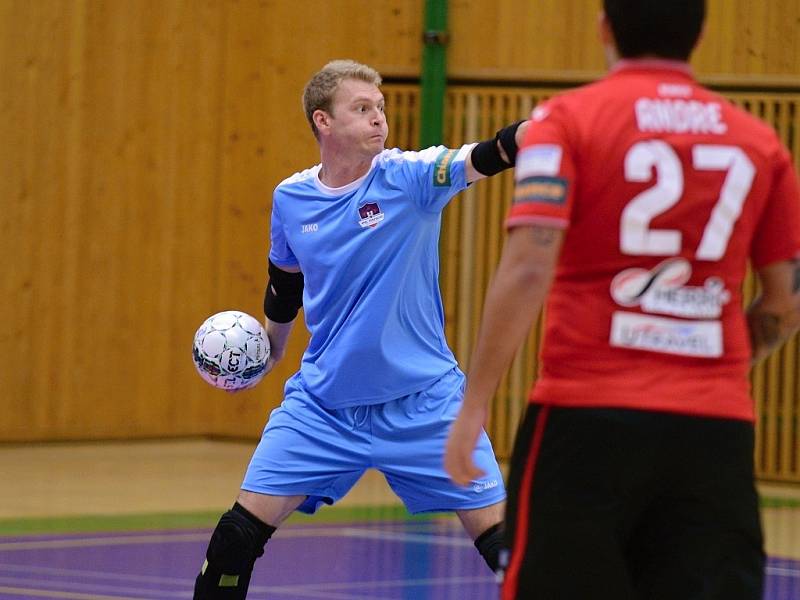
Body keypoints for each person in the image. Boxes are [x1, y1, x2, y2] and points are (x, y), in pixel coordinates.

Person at [445, 1, 800, 599]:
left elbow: (529, 265)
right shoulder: (760, 142)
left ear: (605, 27)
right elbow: (784, 306)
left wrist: (472, 407)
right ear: (701, 33)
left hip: (585, 419)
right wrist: (712, 366)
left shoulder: (566, 120)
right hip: (713, 429)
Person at [193, 59, 529, 599]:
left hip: (425, 404)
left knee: (506, 548)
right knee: (234, 541)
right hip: (325, 405)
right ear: (323, 122)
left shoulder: (410, 177)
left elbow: (485, 155)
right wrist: (271, 349)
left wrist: (536, 133)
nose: (379, 119)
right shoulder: (291, 198)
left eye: (381, 109)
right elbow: (285, 281)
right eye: (363, 109)